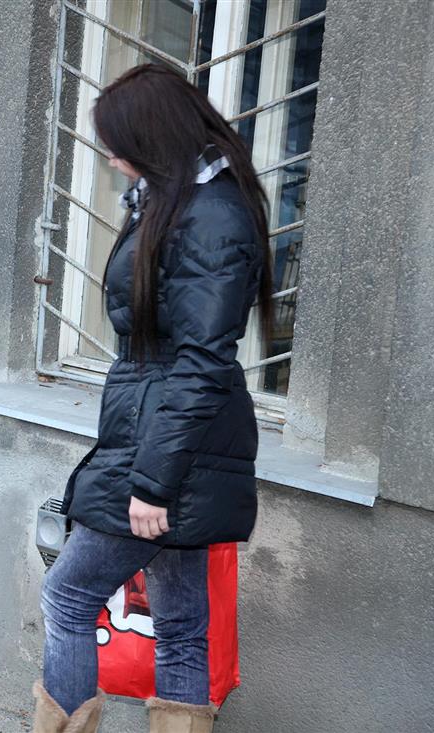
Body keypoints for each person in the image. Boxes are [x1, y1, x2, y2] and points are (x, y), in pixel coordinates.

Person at [33, 64, 272, 733]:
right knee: (182, 623)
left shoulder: (211, 215)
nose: (109, 157)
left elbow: (201, 361)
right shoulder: (180, 201)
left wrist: (153, 483)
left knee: (71, 593)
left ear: (151, 137)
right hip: (169, 440)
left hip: (168, 450)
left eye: (117, 142)